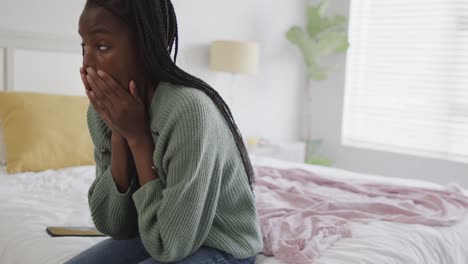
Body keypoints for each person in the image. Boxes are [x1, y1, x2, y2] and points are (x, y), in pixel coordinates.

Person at [66, 0, 263, 263]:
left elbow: (169, 247)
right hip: (154, 234)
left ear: (145, 45)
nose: (87, 63)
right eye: (83, 47)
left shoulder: (190, 111)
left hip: (220, 243)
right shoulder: (101, 112)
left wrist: (137, 137)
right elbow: (114, 227)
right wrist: (118, 132)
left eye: (102, 46)